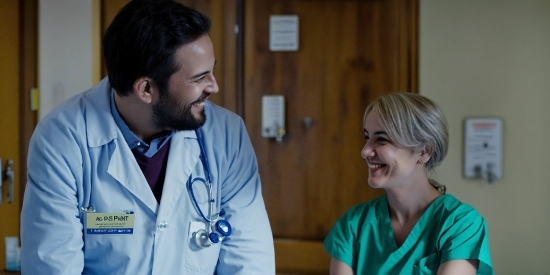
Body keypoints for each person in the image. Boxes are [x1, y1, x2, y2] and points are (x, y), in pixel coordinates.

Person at [20, 0, 275, 274]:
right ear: (145, 89)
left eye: (212, 71)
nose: (213, 86)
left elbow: (250, 260)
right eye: (199, 78)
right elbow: (53, 265)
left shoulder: (226, 135)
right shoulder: (62, 139)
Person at [324, 93, 493, 275]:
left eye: (382, 139)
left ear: (424, 151)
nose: (365, 151)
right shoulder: (352, 225)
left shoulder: (461, 224)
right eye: (367, 137)